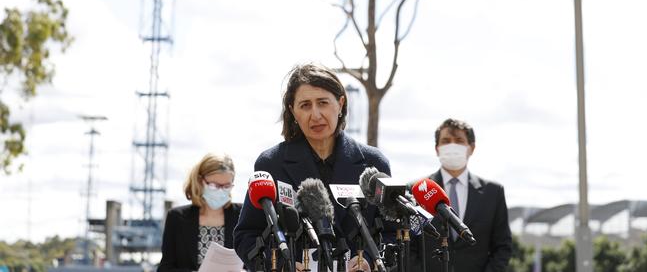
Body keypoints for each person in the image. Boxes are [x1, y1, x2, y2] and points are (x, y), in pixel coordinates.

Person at [233, 63, 391, 272]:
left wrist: (369, 260)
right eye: (305, 105)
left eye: (323, 103)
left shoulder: (374, 163)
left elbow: (393, 232)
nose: (315, 115)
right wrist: (281, 265)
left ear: (341, 103)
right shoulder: (271, 163)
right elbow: (246, 235)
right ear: (293, 111)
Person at [411, 118, 512, 272]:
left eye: (459, 140)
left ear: (471, 148)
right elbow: (409, 246)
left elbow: (502, 247)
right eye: (446, 141)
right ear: (437, 148)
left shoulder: (493, 192)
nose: (452, 145)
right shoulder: (416, 190)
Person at [158, 153, 242, 272]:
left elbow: (255, 262)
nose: (220, 191)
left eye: (226, 186)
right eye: (214, 185)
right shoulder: (177, 217)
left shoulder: (241, 215)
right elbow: (165, 268)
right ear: (200, 181)